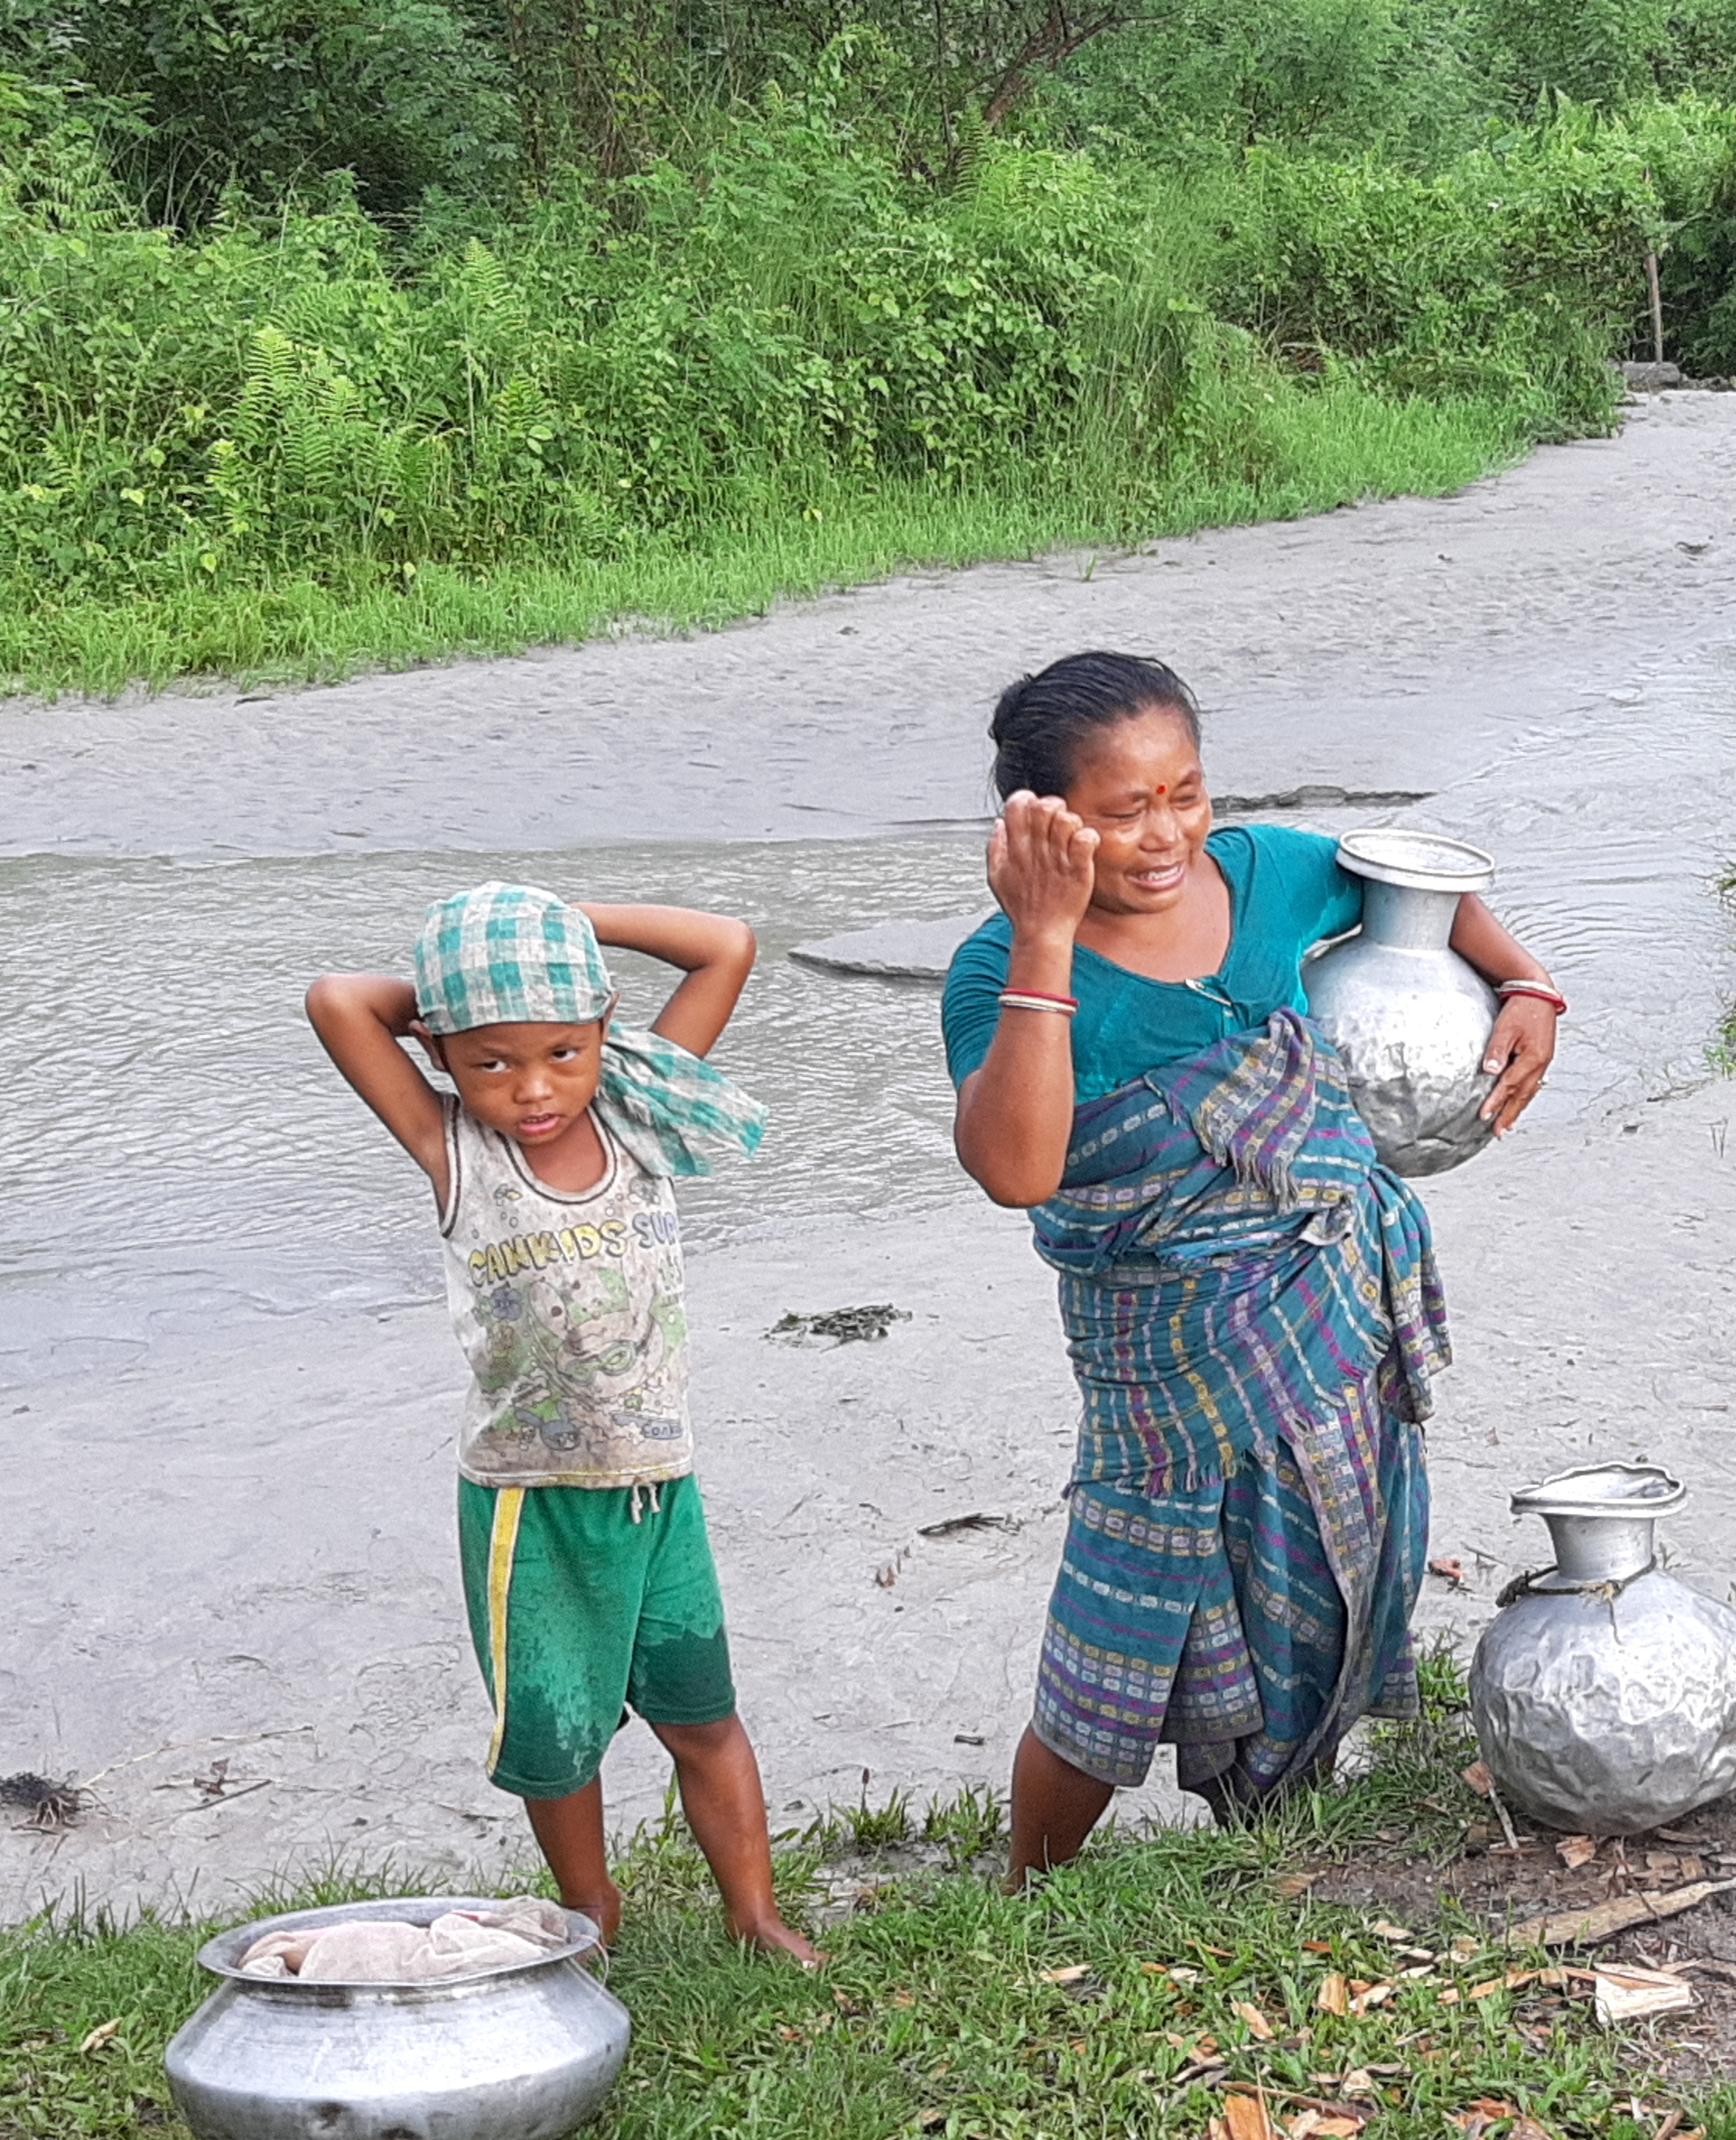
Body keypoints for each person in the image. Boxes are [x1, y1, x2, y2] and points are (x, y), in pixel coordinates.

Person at [945, 651, 1562, 1885]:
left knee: (1318, 1573)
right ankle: (1028, 1885)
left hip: (1329, 1321)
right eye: (1122, 813)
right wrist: (1047, 938)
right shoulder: (996, 973)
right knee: (1115, 1633)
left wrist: (1530, 984)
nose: (1166, 833)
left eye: (1186, 793)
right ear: (1039, 823)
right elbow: (1017, 1169)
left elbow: (1421, 888)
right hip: (1166, 1365)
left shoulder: (1271, 874)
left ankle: (1273, 1842)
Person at [306, 882, 821, 1962]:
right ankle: (594, 1918)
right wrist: (474, 976)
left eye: (560, 1052)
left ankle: (756, 1913)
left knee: (705, 1719)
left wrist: (563, 923)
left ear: (605, 1033)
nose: (533, 1089)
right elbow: (339, 1001)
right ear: (444, 1055)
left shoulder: (639, 1121)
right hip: (527, 1506)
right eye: (492, 1061)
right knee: (558, 1744)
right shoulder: (455, 1151)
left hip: (655, 1488)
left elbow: (727, 945)